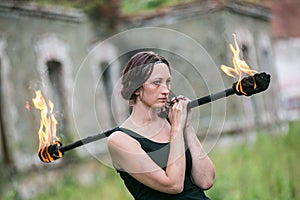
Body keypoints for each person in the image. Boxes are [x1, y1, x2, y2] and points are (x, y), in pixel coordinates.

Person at [107, 51, 215, 200]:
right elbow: (174, 185)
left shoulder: (173, 122)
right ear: (136, 88)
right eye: (156, 82)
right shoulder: (120, 140)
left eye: (168, 82)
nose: (166, 90)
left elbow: (206, 180)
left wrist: (186, 126)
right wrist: (177, 128)